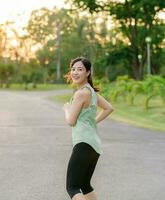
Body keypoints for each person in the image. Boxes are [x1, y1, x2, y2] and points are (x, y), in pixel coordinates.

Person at [62, 57, 114, 200]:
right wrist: (92, 122)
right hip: (93, 144)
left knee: (72, 187)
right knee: (84, 185)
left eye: (80, 69)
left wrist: (67, 108)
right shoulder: (91, 92)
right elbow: (109, 108)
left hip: (83, 143)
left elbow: (71, 121)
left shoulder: (81, 93)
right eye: (73, 69)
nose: (75, 72)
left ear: (88, 73)